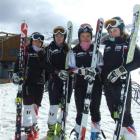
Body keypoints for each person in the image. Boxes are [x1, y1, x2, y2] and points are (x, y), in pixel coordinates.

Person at [101, 17, 140, 140]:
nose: (112, 32)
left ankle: (130, 136)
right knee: (114, 113)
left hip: (122, 83)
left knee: (125, 114)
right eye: (110, 31)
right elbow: (104, 64)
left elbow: (138, 60)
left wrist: (120, 71)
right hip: (108, 84)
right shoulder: (107, 44)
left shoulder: (128, 42)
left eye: (115, 30)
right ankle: (122, 134)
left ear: (121, 29)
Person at [67, 23, 103, 139]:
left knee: (95, 109)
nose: (86, 38)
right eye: (83, 36)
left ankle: (95, 134)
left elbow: (101, 66)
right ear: (79, 36)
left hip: (95, 84)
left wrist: (95, 72)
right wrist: (83, 72)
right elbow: (70, 68)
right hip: (80, 85)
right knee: (80, 110)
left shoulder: (96, 50)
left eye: (88, 35)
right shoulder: (74, 51)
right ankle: (78, 132)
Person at [12, 32, 46, 140]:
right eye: (36, 41)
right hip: (28, 83)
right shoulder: (25, 52)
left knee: (35, 107)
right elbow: (18, 65)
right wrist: (16, 75)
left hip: (39, 84)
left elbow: (47, 68)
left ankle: (34, 126)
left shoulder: (43, 53)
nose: (38, 43)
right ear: (32, 41)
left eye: (40, 41)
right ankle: (27, 128)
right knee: (27, 106)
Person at [45, 26, 72, 139]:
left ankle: (61, 128)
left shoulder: (69, 49)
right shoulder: (49, 49)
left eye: (61, 35)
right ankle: (51, 130)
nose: (59, 37)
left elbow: (74, 65)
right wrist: (57, 72)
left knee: (65, 107)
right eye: (57, 35)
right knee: (54, 107)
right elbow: (45, 64)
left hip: (67, 82)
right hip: (54, 82)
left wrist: (69, 72)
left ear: (64, 37)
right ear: (54, 36)